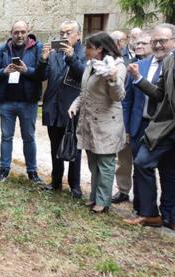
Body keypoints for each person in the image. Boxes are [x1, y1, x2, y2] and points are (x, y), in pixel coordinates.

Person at [68, 32, 127, 214]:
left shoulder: (116, 67)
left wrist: (112, 78)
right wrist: (75, 104)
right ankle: (94, 196)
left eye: (89, 48)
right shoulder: (91, 66)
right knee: (93, 162)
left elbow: (118, 96)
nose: (85, 51)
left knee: (106, 164)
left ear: (100, 49)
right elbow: (84, 91)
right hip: (89, 123)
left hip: (106, 125)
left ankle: (103, 201)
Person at [124, 23, 175, 229]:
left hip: (167, 128)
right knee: (145, 163)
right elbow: (159, 94)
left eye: (162, 40)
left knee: (167, 171)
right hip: (164, 128)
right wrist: (138, 79)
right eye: (155, 41)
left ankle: (169, 216)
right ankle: (152, 214)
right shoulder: (168, 62)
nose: (158, 45)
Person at [0, 20, 44, 183]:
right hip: (7, 101)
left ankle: (32, 171)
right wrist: (4, 71)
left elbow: (43, 74)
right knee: (6, 136)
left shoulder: (37, 48)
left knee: (29, 137)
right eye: (16, 32)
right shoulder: (2, 49)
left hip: (28, 101)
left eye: (23, 32)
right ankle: (4, 169)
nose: (19, 35)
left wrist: (27, 70)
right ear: (11, 33)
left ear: (28, 32)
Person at [37, 20, 85, 198]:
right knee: (54, 145)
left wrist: (72, 57)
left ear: (78, 35)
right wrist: (42, 60)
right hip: (53, 106)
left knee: (74, 147)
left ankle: (75, 185)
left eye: (68, 32)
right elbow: (40, 76)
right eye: (62, 33)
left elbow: (83, 76)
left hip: (72, 108)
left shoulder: (83, 53)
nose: (64, 36)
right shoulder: (55, 54)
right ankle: (56, 181)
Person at [113, 31, 154, 205]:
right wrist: (126, 128)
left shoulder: (164, 66)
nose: (139, 46)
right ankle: (123, 191)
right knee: (124, 159)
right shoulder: (131, 66)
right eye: (137, 43)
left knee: (145, 164)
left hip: (156, 123)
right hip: (133, 121)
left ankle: (144, 201)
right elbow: (126, 100)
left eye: (143, 43)